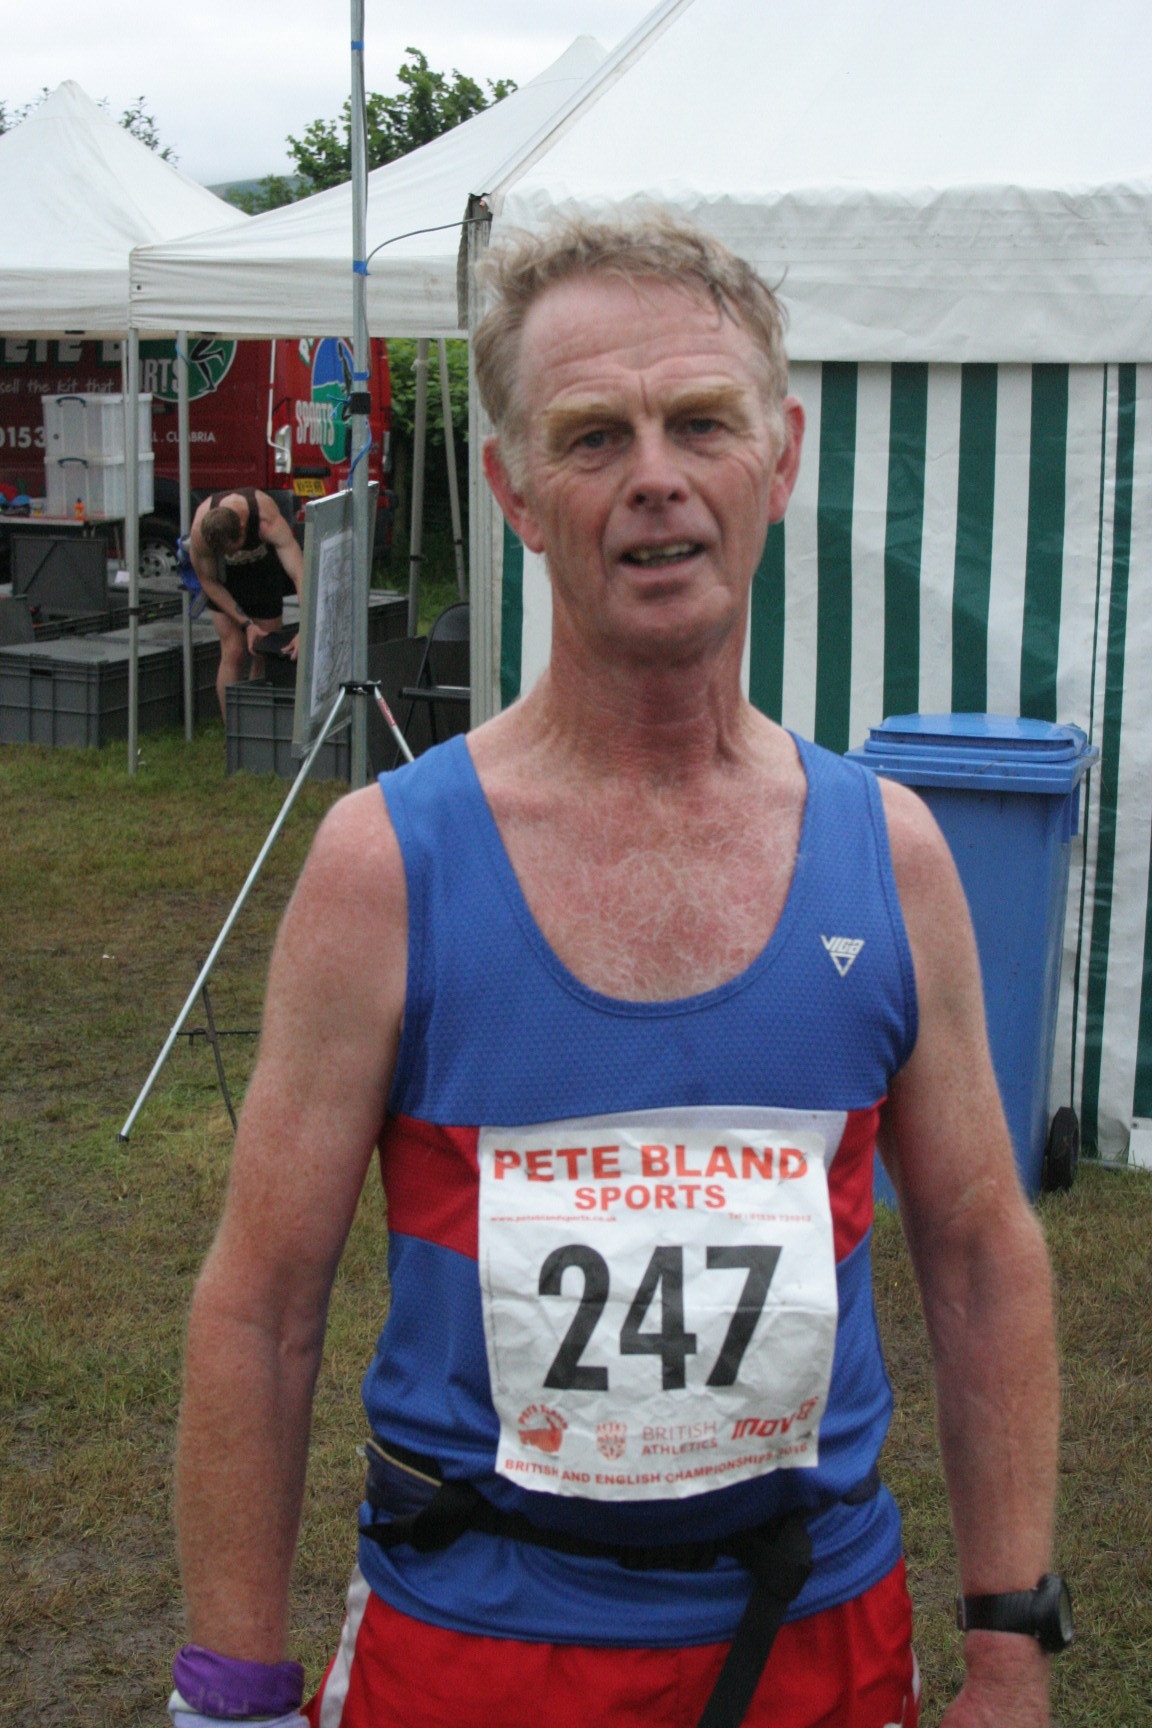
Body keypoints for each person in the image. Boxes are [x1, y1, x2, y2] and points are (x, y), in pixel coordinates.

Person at [170, 215, 1066, 1728]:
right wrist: (230, 1695)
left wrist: (1007, 1649)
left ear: (775, 463)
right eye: (594, 435)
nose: (658, 472)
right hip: (476, 1651)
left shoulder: (893, 857)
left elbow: (979, 1256)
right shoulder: (388, 867)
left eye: (701, 421)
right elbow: (262, 1307)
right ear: (515, 490)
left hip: (820, 1646)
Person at [187, 487, 303, 716]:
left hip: (263, 574)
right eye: (224, 553)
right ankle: (233, 733)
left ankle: (256, 723)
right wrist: (246, 623)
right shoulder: (200, 534)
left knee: (263, 651)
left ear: (242, 529)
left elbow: (300, 573)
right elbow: (208, 582)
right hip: (225, 582)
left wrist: (306, 627)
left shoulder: (265, 518)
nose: (230, 556)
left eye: (233, 550)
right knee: (234, 650)